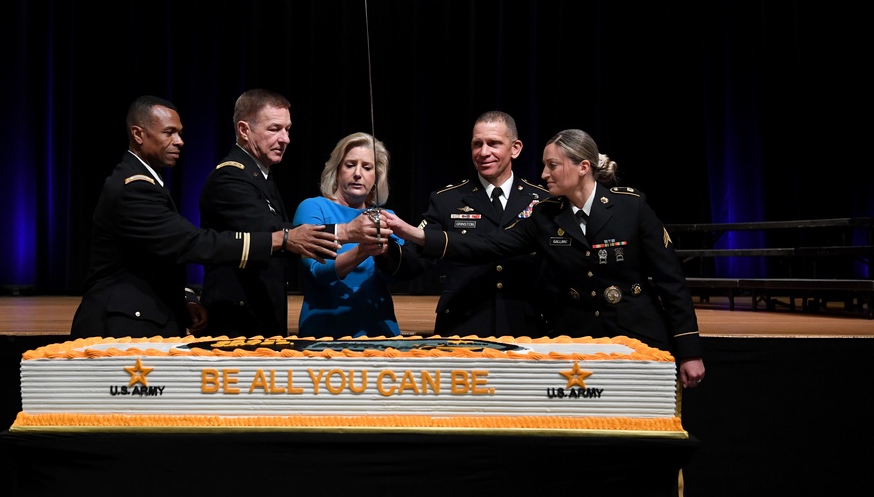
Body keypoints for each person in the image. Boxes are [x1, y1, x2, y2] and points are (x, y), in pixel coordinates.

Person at [385, 128, 706, 388]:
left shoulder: (631, 207)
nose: (544, 174)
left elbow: (671, 281)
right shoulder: (545, 216)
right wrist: (414, 234)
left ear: (583, 167)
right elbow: (486, 246)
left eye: (552, 165)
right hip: (577, 337)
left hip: (637, 332)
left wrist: (689, 351)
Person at [70, 95, 339, 340]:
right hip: (121, 328)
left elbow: (156, 257)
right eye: (169, 133)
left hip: (141, 320)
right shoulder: (134, 187)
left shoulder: (147, 182)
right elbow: (190, 243)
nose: (179, 141)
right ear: (139, 134)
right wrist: (280, 239)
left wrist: (184, 298)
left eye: (179, 133)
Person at [199, 89, 387, 337]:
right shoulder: (230, 177)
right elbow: (273, 234)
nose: (285, 138)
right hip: (236, 323)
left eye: (287, 129)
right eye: (274, 128)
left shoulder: (259, 176)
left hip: (259, 317)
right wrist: (346, 231)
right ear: (244, 130)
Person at [379, 111, 550, 337]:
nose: (484, 152)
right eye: (477, 144)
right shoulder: (447, 200)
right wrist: (384, 249)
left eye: (494, 143)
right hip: (463, 325)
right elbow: (413, 262)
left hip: (526, 324)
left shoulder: (542, 200)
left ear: (515, 148)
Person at [293, 132, 403, 338]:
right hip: (323, 335)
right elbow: (317, 272)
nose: (358, 174)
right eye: (350, 165)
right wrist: (363, 249)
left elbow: (398, 276)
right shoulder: (314, 208)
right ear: (336, 170)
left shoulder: (388, 217)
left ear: (376, 177)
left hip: (380, 336)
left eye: (367, 167)